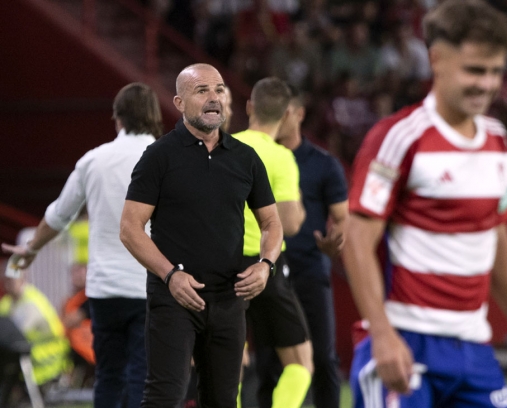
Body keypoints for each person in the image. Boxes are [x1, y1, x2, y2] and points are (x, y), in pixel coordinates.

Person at [342, 1, 507, 407]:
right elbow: (356, 240)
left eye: (495, 71)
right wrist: (382, 334)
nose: (486, 84)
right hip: (405, 341)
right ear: (436, 59)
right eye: (474, 70)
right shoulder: (400, 137)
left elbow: (494, 233)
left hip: (473, 346)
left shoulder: (498, 140)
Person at [119, 63, 282, 408]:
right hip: (173, 299)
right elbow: (130, 229)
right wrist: (170, 275)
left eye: (219, 90)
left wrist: (266, 264)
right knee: (164, 397)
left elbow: (272, 223)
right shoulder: (158, 156)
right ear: (178, 103)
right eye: (202, 90)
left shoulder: (245, 158)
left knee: (222, 400)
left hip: (228, 299)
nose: (214, 98)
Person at [1, 82, 163, 408]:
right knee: (142, 377)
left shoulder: (93, 160)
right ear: (155, 116)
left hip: (103, 291)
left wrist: (31, 249)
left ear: (117, 119)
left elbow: (58, 215)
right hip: (149, 285)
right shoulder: (166, 158)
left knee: (109, 376)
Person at [233, 77, 313, 408]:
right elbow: (291, 223)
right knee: (300, 361)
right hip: (266, 266)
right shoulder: (281, 157)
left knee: (229, 359)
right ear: (286, 115)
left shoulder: (223, 146)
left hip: (222, 264)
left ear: (250, 108)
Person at [275, 84, 349, 408]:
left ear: (299, 114)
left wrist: (337, 242)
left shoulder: (323, 164)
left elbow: (342, 218)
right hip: (267, 270)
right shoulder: (255, 159)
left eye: (285, 111)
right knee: (267, 357)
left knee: (323, 355)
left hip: (310, 268)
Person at [0, 270, 70, 394]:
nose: (9, 285)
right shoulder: (7, 302)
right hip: (26, 354)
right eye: (7, 281)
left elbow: (18, 332)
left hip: (44, 359)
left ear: (23, 280)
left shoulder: (32, 302)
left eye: (12, 280)